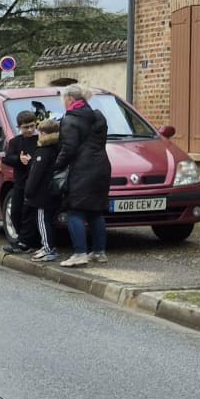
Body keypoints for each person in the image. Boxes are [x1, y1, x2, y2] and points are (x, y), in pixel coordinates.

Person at [54, 84, 112, 267]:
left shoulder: (70, 119)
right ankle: (99, 252)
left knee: (75, 210)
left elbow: (68, 148)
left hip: (82, 169)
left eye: (63, 99)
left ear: (70, 99)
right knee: (95, 210)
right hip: (101, 167)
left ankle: (80, 253)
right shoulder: (98, 116)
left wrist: (55, 166)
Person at [22, 116, 65, 261]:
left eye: (40, 132)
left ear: (45, 134)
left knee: (42, 220)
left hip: (42, 194)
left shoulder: (43, 151)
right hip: (52, 191)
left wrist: (28, 191)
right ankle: (48, 245)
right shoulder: (57, 149)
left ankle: (48, 248)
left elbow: (36, 174)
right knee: (48, 220)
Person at [0, 111, 40, 253]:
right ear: (19, 127)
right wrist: (19, 159)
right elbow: (7, 158)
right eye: (25, 127)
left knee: (30, 214)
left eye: (32, 126)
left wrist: (31, 161)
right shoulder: (15, 142)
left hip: (35, 183)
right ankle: (22, 239)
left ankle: (27, 242)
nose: (29, 130)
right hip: (20, 182)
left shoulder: (40, 140)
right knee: (15, 212)